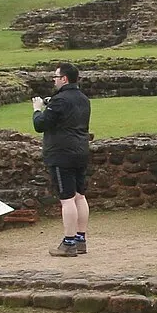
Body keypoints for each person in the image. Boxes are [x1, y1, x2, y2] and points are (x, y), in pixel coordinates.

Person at [32, 62, 93, 255]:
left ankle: (68, 243)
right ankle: (80, 239)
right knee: (80, 196)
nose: (54, 80)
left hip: (61, 153)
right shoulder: (83, 99)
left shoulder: (59, 101)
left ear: (64, 79)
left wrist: (37, 109)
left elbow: (40, 124)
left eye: (56, 77)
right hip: (81, 151)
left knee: (67, 199)